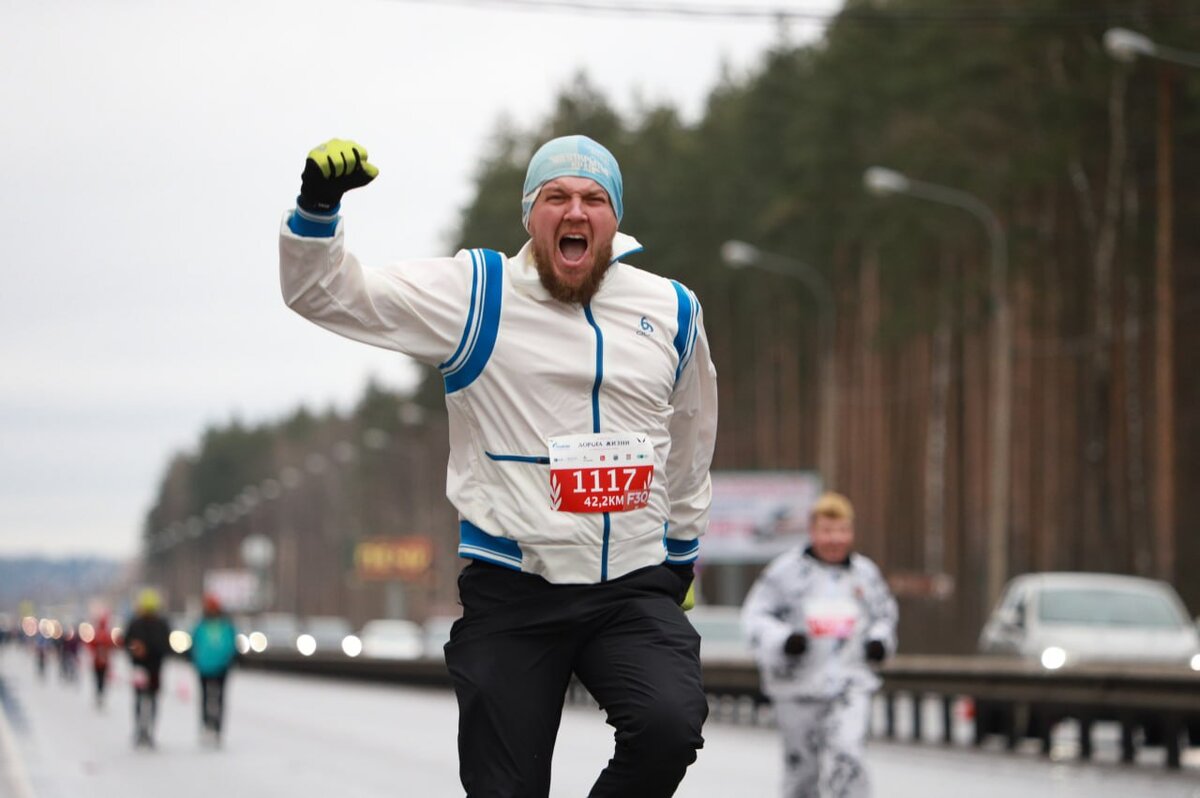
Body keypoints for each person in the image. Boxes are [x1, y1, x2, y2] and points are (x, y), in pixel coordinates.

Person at [279, 134, 718, 797]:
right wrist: (318, 210)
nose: (575, 211)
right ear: (529, 214)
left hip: (630, 585)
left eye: (594, 198)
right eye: (556, 197)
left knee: (669, 728)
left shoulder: (671, 309)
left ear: (615, 218)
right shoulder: (478, 294)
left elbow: (690, 435)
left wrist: (681, 546)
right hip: (517, 589)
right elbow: (325, 293)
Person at [741, 492, 898, 798]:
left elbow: (885, 616)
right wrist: (785, 641)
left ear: (851, 532)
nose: (835, 539)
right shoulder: (784, 573)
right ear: (813, 531)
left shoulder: (865, 575)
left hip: (851, 684)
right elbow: (756, 616)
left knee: (848, 754)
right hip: (797, 685)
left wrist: (880, 642)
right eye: (827, 531)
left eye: (841, 531)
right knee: (803, 770)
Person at [124, 588, 171, 748]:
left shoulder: (156, 624)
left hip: (152, 668)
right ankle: (142, 729)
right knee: (142, 699)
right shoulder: (138, 623)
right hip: (143, 668)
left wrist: (143, 650)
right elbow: (126, 642)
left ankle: (147, 730)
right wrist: (134, 649)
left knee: (148, 699)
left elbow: (165, 646)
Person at [189, 594, 238, 745]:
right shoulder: (222, 625)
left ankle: (213, 727)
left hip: (211, 666)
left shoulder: (206, 624)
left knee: (211, 698)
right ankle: (210, 726)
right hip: (210, 666)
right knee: (213, 698)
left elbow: (194, 644)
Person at [86, 613, 117, 708]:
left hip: (98, 662)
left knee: (98, 679)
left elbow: (90, 645)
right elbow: (112, 646)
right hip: (103, 662)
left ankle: (99, 694)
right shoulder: (107, 634)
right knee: (102, 679)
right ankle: (100, 694)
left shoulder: (97, 633)